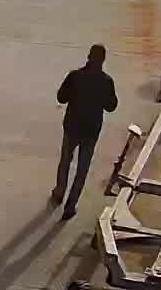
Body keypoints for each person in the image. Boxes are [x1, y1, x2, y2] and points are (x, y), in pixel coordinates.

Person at [52, 44, 118, 219]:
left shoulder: (75, 76)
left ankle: (59, 193)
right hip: (91, 130)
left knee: (65, 161)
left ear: (88, 56)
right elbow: (111, 106)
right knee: (82, 169)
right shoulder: (106, 81)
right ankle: (70, 206)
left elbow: (61, 97)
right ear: (103, 60)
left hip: (72, 126)